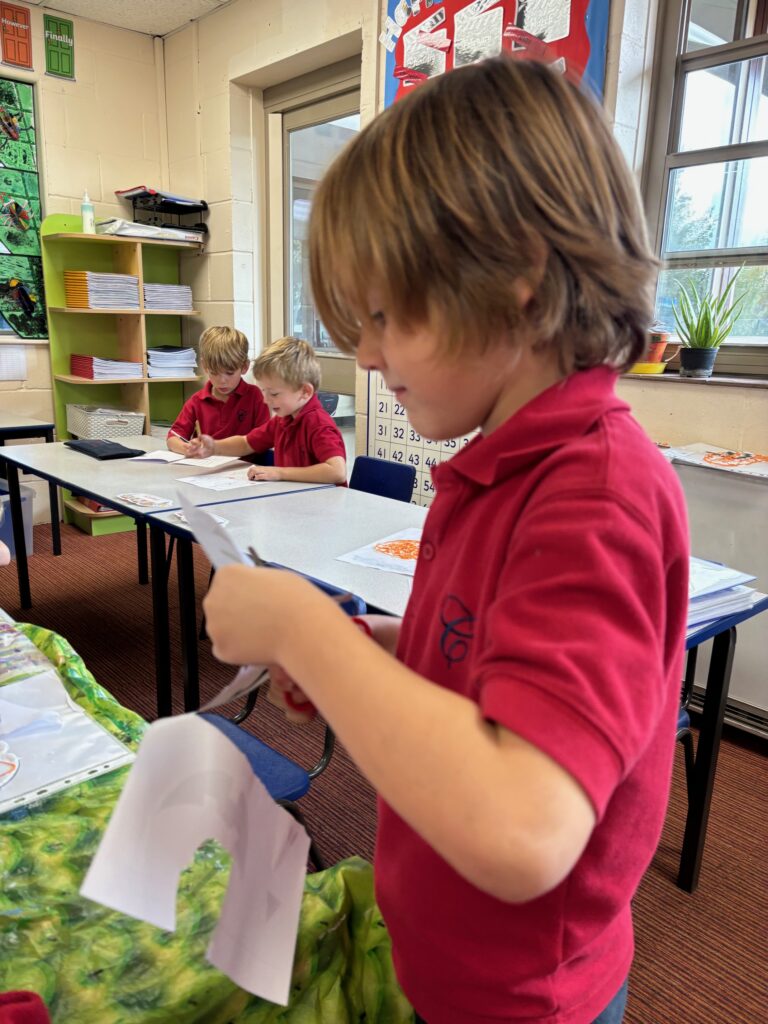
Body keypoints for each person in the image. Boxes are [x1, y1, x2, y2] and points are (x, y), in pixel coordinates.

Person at [202, 55, 689, 1024]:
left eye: (386, 315)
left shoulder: (592, 492)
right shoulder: (504, 467)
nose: (370, 354)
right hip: (451, 961)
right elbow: (490, 665)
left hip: (521, 1000)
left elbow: (523, 829)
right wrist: (371, 653)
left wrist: (306, 627)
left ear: (515, 279)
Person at [188, 336, 347, 485]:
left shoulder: (318, 425)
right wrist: (214, 447)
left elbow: (337, 471)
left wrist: (280, 473)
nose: (266, 400)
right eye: (264, 392)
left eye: (274, 394)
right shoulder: (282, 419)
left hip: (324, 507)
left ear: (305, 391)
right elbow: (246, 443)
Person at [166, 326, 268, 455]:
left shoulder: (255, 396)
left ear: (244, 367)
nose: (222, 381)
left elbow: (263, 441)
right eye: (214, 373)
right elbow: (173, 438)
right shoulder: (197, 401)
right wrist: (188, 449)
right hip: (206, 470)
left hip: (243, 471)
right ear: (205, 366)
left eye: (229, 373)